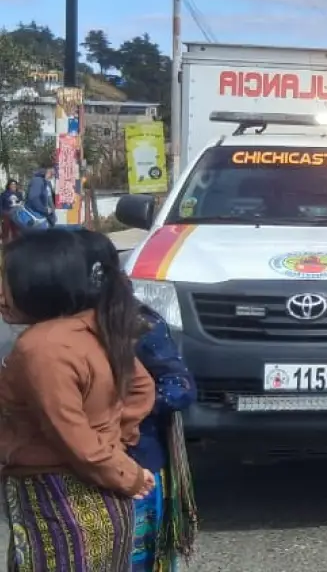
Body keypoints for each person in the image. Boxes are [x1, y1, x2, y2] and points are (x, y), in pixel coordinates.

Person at [0, 229, 157, 572]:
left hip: (58, 503)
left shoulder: (43, 346)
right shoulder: (95, 328)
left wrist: (121, 470)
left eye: (8, 281)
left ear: (45, 283)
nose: (1, 293)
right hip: (103, 504)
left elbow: (69, 431)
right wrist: (116, 441)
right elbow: (141, 389)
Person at [78, 229, 199, 572]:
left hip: (138, 463)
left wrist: (124, 413)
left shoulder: (139, 325)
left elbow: (181, 386)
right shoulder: (62, 328)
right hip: (88, 464)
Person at [1, 179, 22, 243]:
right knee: (5, 232)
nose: (14, 185)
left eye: (15, 184)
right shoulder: (4, 194)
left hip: (16, 215)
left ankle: (16, 246)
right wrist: (3, 213)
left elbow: (21, 203)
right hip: (7, 214)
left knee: (16, 232)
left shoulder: (19, 194)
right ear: (9, 185)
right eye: (12, 184)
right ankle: (5, 246)